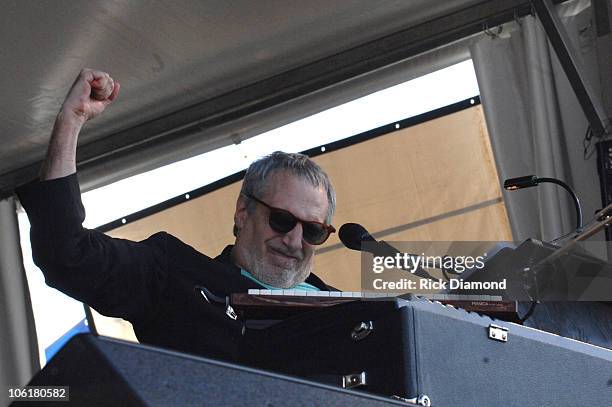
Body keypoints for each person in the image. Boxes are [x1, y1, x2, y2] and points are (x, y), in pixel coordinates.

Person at [17, 69, 337, 361]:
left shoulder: (355, 314)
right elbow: (68, 254)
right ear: (242, 212)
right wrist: (72, 121)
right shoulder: (175, 278)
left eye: (312, 231)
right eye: (281, 219)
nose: (294, 240)